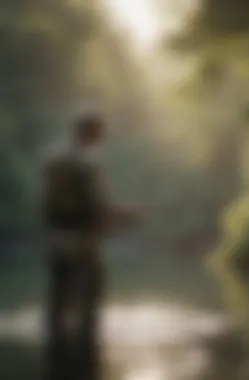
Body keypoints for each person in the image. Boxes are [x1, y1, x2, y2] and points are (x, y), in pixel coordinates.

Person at [43, 110, 146, 380]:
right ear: (87, 132)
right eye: (98, 134)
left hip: (56, 242)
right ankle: (86, 366)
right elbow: (95, 208)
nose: (101, 140)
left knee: (57, 308)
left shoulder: (53, 159)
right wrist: (127, 215)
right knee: (89, 311)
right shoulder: (85, 163)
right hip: (83, 244)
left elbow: (51, 205)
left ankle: (56, 365)